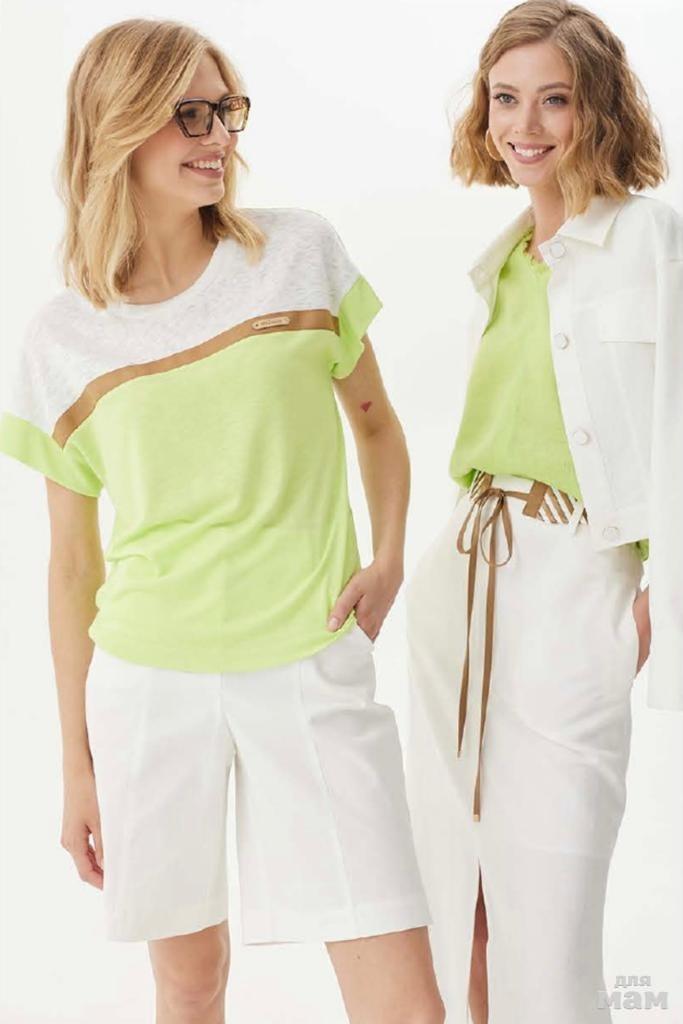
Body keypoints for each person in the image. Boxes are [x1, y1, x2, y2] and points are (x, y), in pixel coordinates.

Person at [0, 18, 446, 1024]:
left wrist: (386, 558)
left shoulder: (297, 254)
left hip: (311, 658)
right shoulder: (61, 338)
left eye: (227, 110)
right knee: (190, 984)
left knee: (403, 1004)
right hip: (148, 686)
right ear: (118, 127)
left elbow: (376, 423)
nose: (219, 137)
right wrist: (75, 764)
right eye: (189, 115)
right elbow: (71, 566)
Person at [403, 1, 683, 1022]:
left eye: (553, 100)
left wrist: (649, 614)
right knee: (460, 902)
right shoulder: (509, 257)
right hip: (464, 569)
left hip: (576, 580)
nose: (523, 125)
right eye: (504, 98)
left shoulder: (648, 238)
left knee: (551, 930)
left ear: (595, 108)